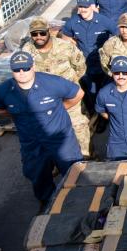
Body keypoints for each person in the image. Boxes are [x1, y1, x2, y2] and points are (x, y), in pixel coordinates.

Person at [0, 51, 83, 207]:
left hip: (60, 140)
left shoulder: (52, 83)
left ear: (33, 67)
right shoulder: (4, 90)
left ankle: (78, 203)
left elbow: (78, 93)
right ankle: (47, 205)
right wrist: (16, 114)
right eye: (17, 69)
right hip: (32, 143)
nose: (22, 73)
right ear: (11, 70)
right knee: (38, 177)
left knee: (73, 172)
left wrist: (61, 108)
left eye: (26, 68)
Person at [21, 17, 91, 158]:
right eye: (34, 34)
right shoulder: (27, 50)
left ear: (49, 32)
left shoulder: (66, 47)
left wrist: (69, 85)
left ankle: (86, 157)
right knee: (49, 131)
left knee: (79, 127)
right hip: (45, 101)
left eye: (42, 33)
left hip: (69, 97)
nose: (39, 37)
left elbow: (80, 67)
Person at [60, 0, 118, 115]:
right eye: (80, 7)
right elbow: (65, 36)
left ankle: (106, 113)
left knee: (105, 90)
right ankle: (94, 113)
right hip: (85, 64)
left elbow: (117, 34)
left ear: (92, 7)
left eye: (85, 7)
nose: (83, 10)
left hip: (102, 63)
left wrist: (110, 48)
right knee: (90, 91)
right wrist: (73, 46)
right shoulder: (73, 22)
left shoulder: (103, 21)